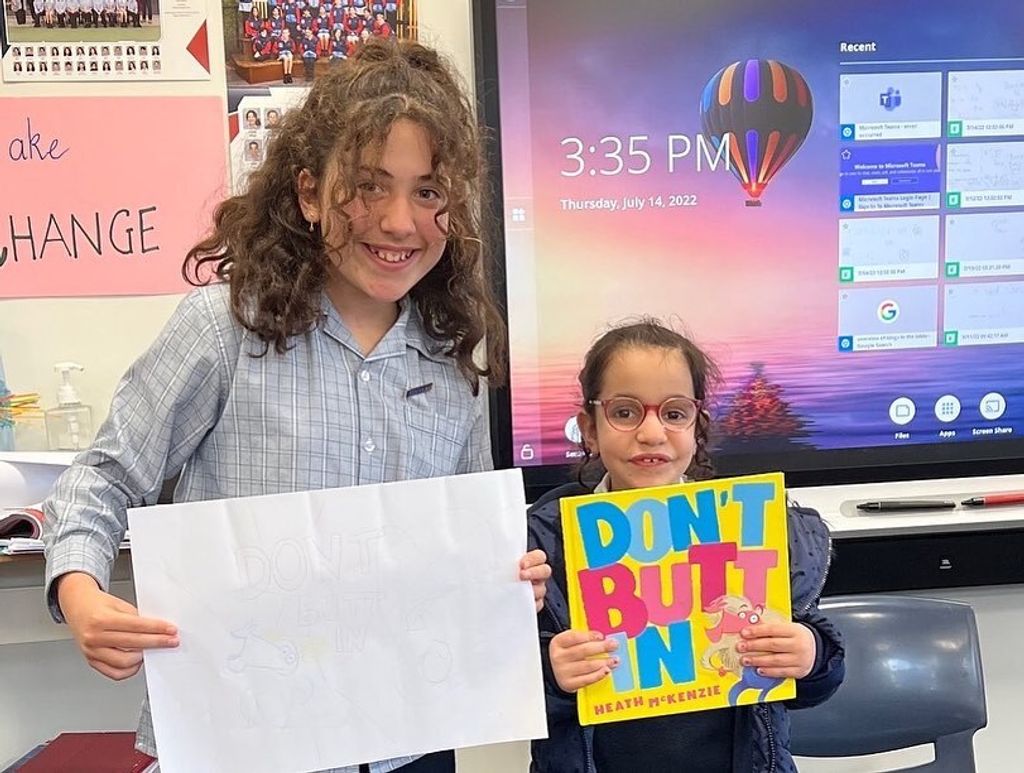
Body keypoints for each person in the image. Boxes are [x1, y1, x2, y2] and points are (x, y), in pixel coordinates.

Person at [43, 39, 549, 773]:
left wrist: (509, 578)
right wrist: (81, 592)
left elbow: (467, 542)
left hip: (408, 739)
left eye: (428, 192)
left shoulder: (451, 363)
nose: (399, 221)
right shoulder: (224, 328)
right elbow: (104, 477)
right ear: (310, 194)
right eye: (369, 186)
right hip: (243, 737)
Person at [527, 320, 845, 773]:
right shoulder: (543, 546)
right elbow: (502, 691)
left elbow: (818, 678)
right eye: (624, 412)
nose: (651, 433)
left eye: (675, 414)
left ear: (698, 428)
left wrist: (809, 654)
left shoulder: (749, 527)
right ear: (589, 429)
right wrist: (551, 675)